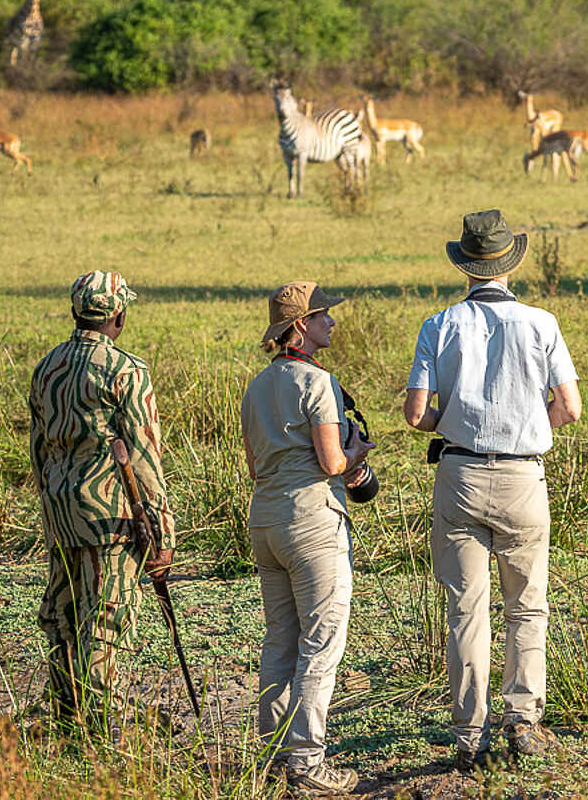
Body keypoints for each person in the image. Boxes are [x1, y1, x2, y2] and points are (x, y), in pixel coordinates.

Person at [403, 209, 582, 771]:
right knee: (527, 605)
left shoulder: (440, 324)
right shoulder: (542, 322)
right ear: (510, 263)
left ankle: (468, 730)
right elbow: (570, 406)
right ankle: (524, 718)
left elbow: (415, 414)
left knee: (466, 609)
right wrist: (528, 424)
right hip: (523, 473)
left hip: (459, 474)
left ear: (466, 265)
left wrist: (450, 420)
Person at [241, 282, 375, 794]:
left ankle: (273, 752)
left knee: (280, 638)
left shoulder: (256, 386)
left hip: (266, 521)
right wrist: (357, 456)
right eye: (323, 316)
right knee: (320, 644)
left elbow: (255, 467)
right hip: (312, 522)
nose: (331, 323)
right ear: (301, 326)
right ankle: (308, 763)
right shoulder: (317, 383)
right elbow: (332, 463)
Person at [29, 270, 174, 729]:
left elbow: (37, 450)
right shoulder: (126, 370)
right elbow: (144, 456)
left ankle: (67, 724)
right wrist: (162, 531)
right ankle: (96, 733)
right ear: (119, 315)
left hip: (60, 514)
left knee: (64, 619)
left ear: (75, 312)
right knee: (104, 624)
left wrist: (51, 510)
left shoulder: (47, 366)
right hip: (111, 516)